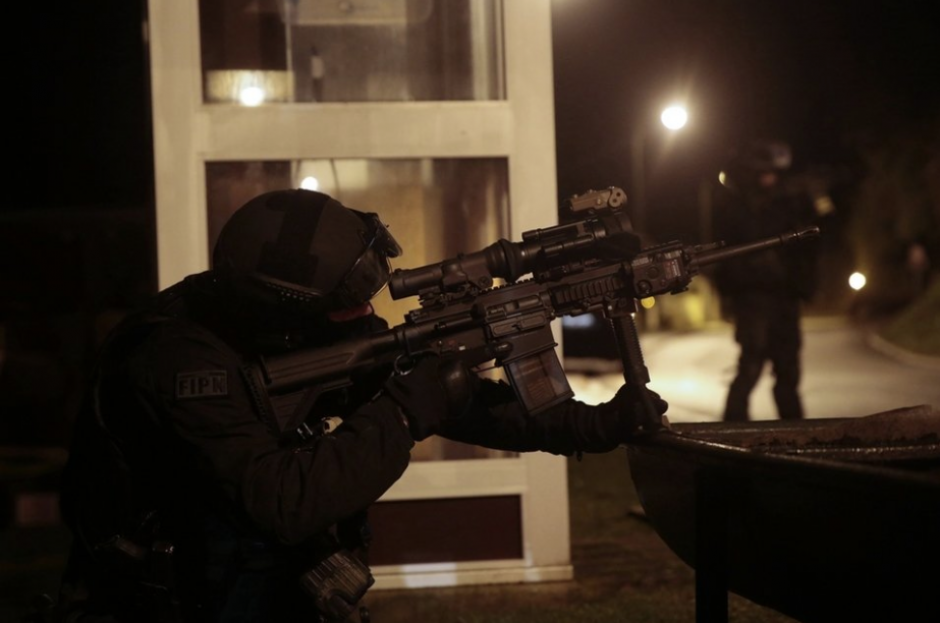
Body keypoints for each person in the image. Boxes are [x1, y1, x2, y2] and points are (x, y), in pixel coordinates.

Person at [53, 189, 667, 623]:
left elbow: (455, 402)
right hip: (171, 601)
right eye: (346, 302)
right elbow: (282, 500)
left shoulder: (296, 330)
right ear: (286, 312)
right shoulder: (178, 362)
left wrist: (589, 424)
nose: (368, 312)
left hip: (255, 583)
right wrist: (401, 414)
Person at [714, 141, 819, 422]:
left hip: (784, 297)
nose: (769, 178)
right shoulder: (738, 206)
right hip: (752, 299)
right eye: (763, 172)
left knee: (788, 374)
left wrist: (803, 285)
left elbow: (808, 249)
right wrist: (732, 293)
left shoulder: (790, 202)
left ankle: (796, 435)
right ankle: (732, 434)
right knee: (750, 367)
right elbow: (726, 254)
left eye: (773, 172)